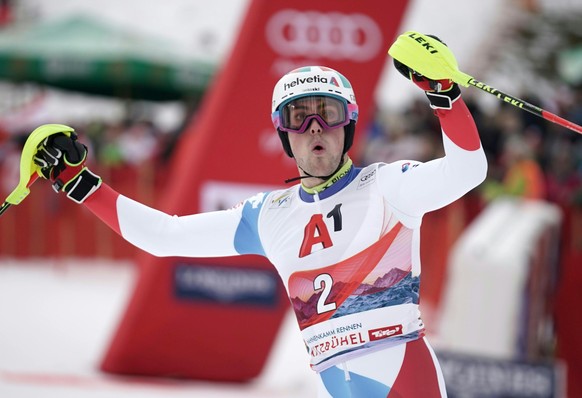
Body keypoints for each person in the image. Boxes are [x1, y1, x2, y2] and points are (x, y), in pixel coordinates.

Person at [32, 45, 487, 397]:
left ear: (349, 124)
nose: (314, 129)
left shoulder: (389, 184)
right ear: (283, 134)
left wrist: (443, 95)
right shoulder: (268, 214)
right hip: (333, 377)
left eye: (327, 114)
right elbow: (162, 236)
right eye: (298, 116)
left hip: (399, 367)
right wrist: (79, 182)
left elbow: (468, 170)